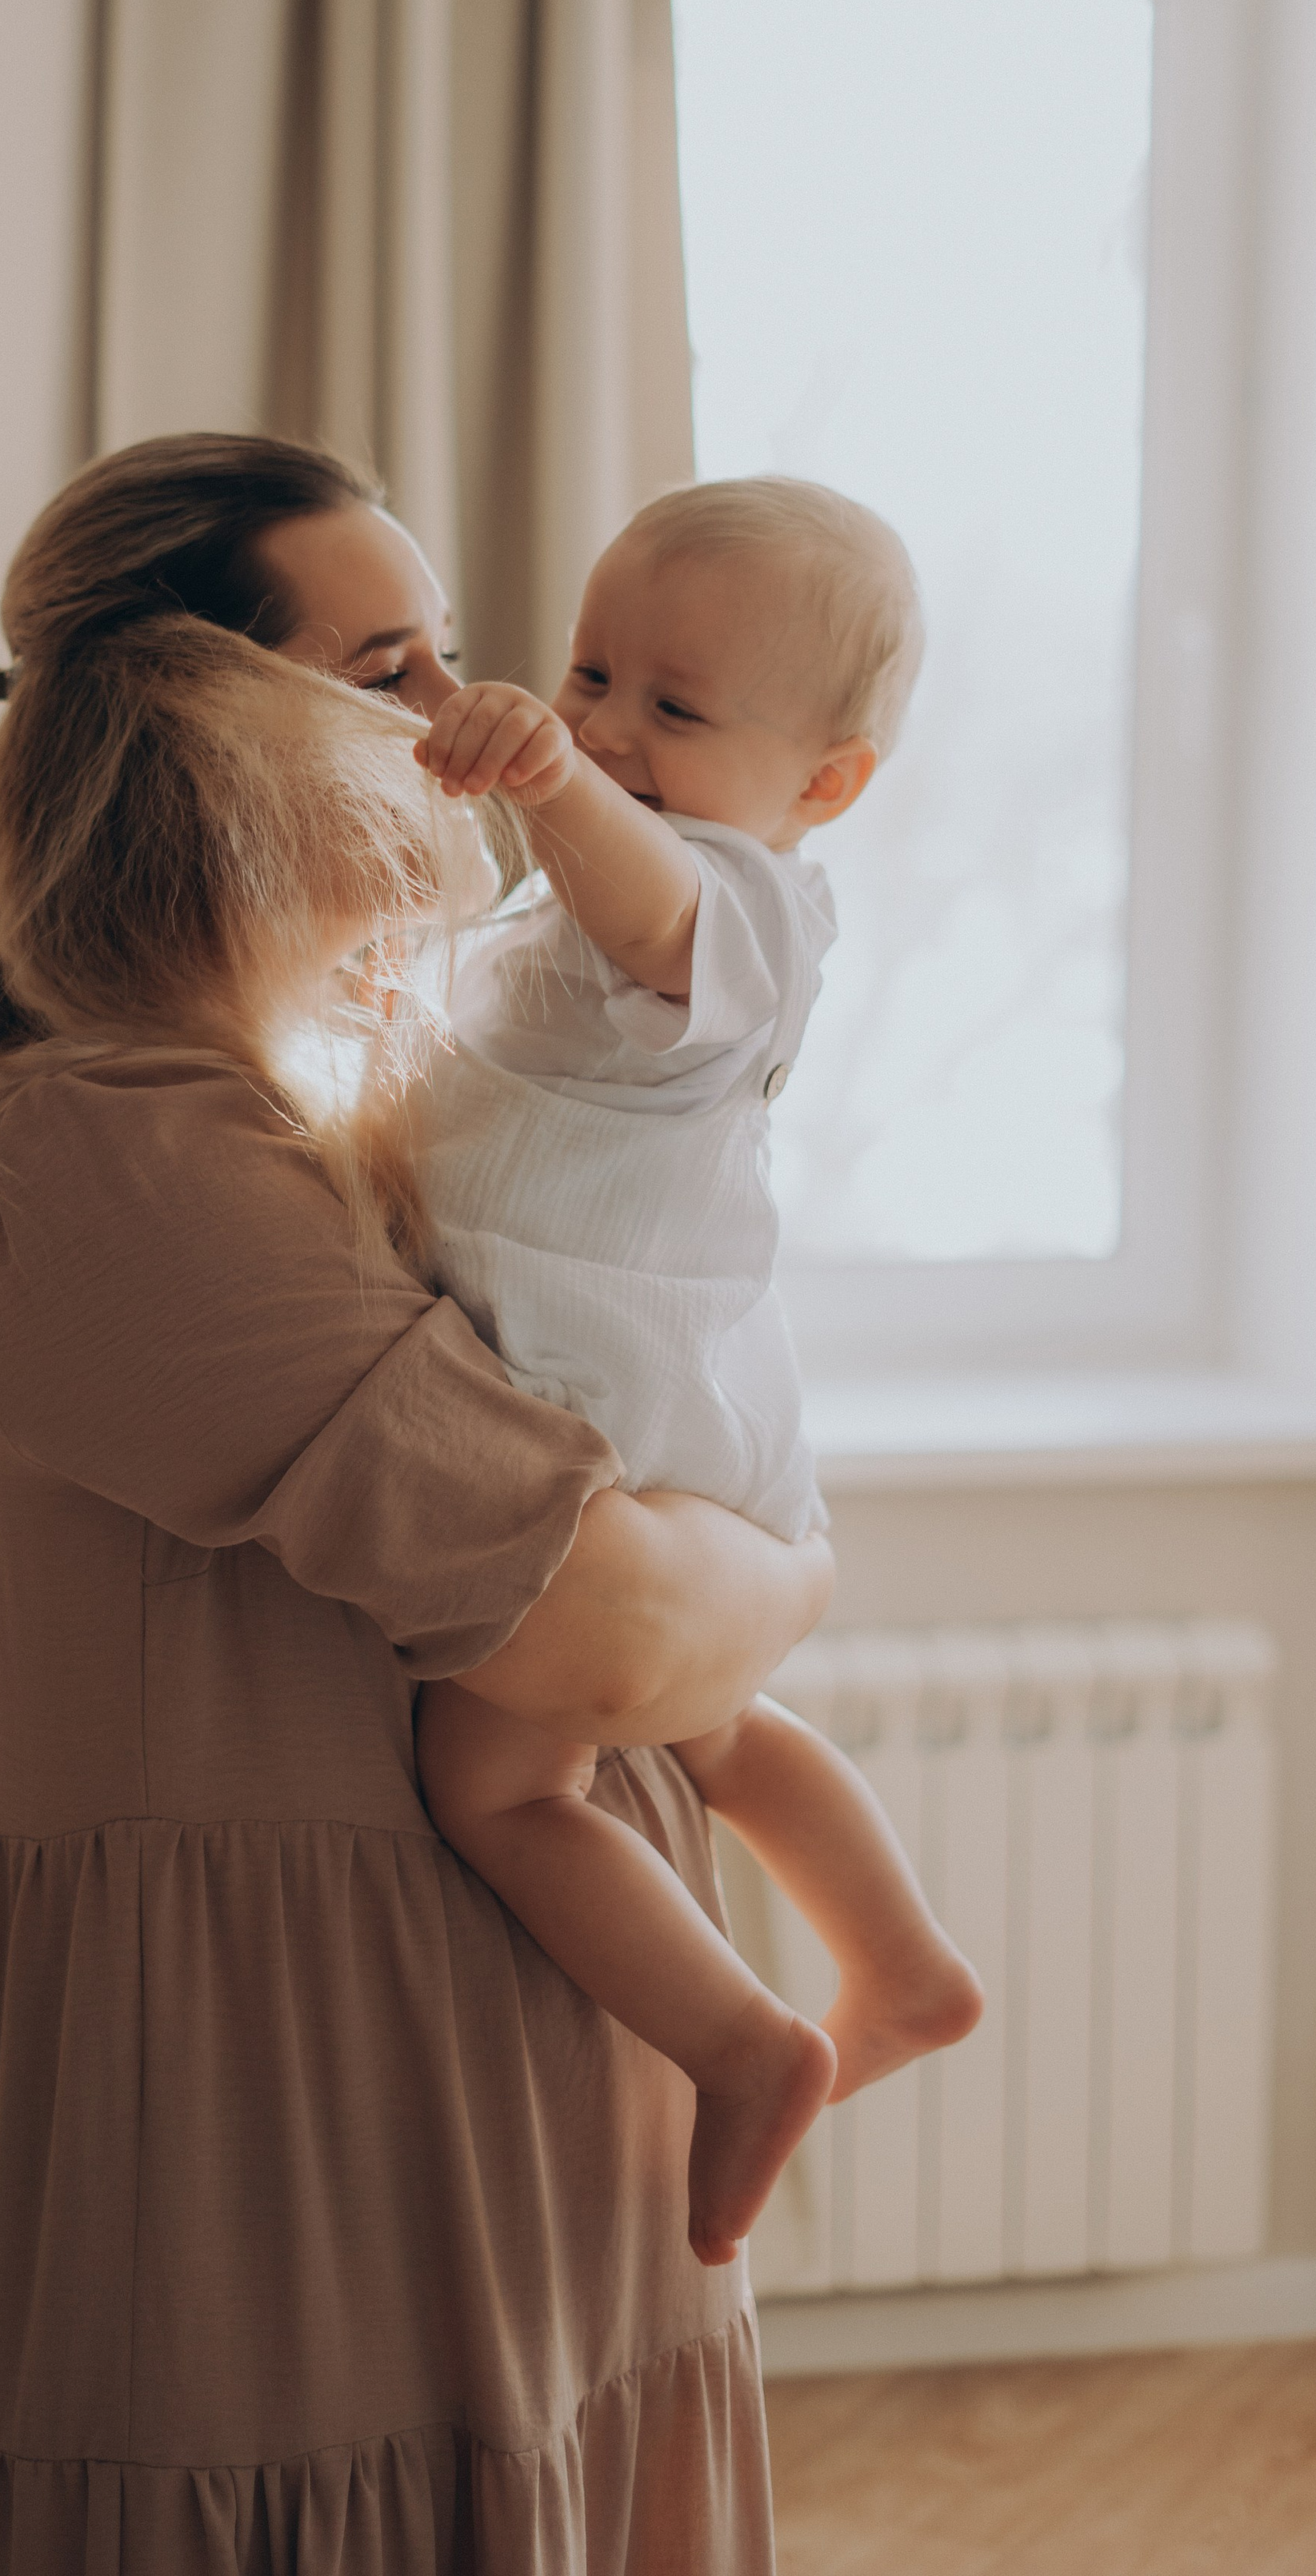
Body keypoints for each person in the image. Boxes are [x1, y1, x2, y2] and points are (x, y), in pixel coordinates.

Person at [0, 434, 830, 2575]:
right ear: (199, 722)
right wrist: (798, 1568)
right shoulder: (108, 1148)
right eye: (391, 665)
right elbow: (610, 1638)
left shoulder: (349, 1074)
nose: (474, 722)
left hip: (485, 2079)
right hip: (271, 2102)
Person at [409, 480, 984, 2267]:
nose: (601, 728)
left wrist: (556, 780)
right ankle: (901, 1967)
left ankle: (741, 2047)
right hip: (664, 1397)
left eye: (673, 707)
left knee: (495, 1788)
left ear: (819, 789)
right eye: (588, 673)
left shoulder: (747, 910)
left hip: (611, 1406)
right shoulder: (550, 909)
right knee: (716, 1724)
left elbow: (650, 915)